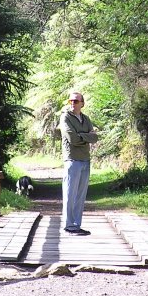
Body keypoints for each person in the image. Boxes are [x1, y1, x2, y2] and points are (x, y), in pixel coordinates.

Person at [59, 91, 98, 235]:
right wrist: (86, 137)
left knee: (80, 195)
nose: (73, 103)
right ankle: (69, 225)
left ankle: (76, 225)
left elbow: (95, 138)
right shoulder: (65, 117)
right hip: (72, 159)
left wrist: (81, 136)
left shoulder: (86, 119)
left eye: (76, 101)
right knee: (70, 193)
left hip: (85, 160)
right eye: (71, 101)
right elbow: (72, 139)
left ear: (82, 103)